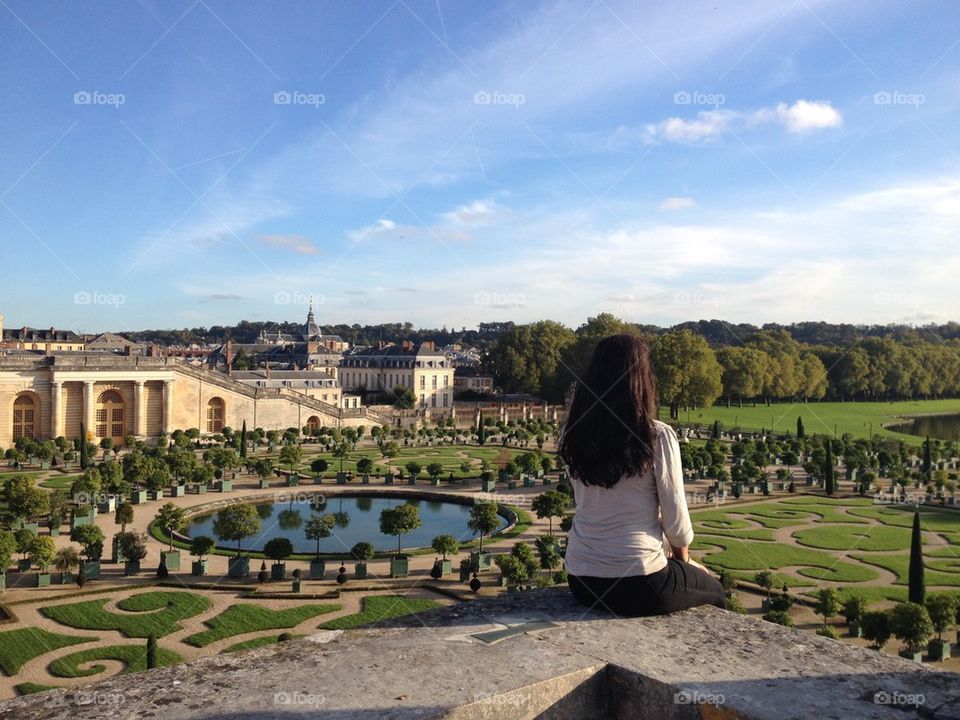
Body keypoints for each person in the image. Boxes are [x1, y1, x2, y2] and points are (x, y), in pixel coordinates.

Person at [559, 334, 726, 616]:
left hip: (581, 580)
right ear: (640, 380)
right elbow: (675, 517)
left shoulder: (572, 433)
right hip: (641, 581)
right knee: (716, 591)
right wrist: (685, 563)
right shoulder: (657, 435)